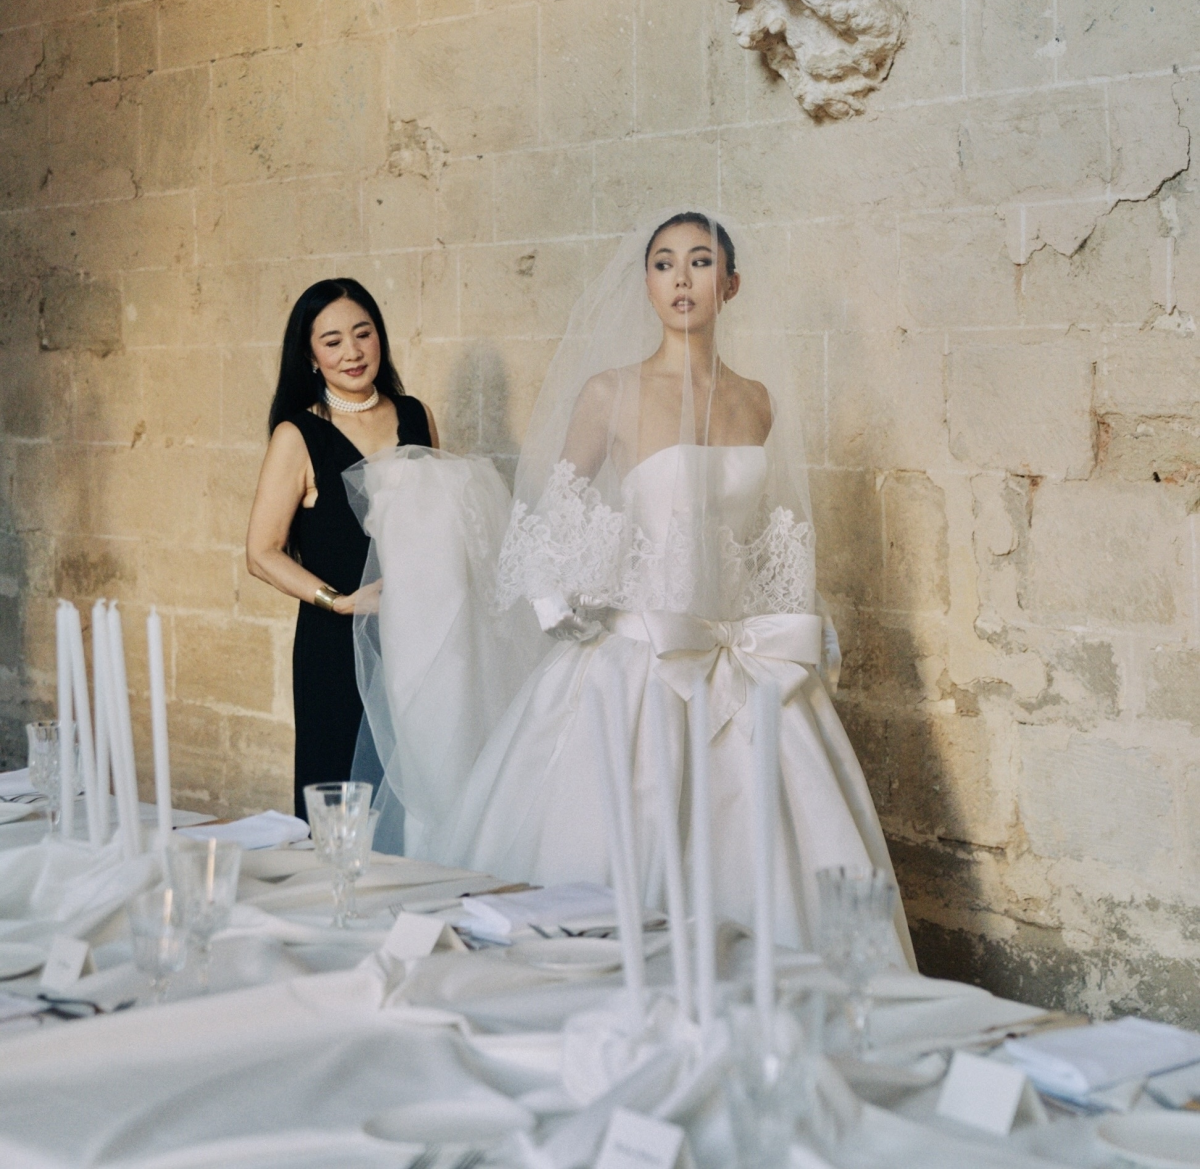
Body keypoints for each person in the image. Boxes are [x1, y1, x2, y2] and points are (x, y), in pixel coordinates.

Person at [348, 212, 912, 957]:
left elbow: (759, 537)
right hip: (640, 659)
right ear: (645, 283)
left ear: (731, 283)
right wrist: (583, 584)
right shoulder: (609, 392)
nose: (681, 279)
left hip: (743, 662)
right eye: (663, 263)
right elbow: (549, 519)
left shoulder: (759, 401)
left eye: (701, 262)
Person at [246, 278, 437, 817]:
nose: (352, 352)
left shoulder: (416, 415)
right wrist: (341, 602)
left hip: (419, 639)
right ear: (310, 355)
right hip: (336, 648)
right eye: (332, 341)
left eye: (363, 333)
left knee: (420, 796)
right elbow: (261, 552)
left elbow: (439, 523)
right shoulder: (297, 435)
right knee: (344, 802)